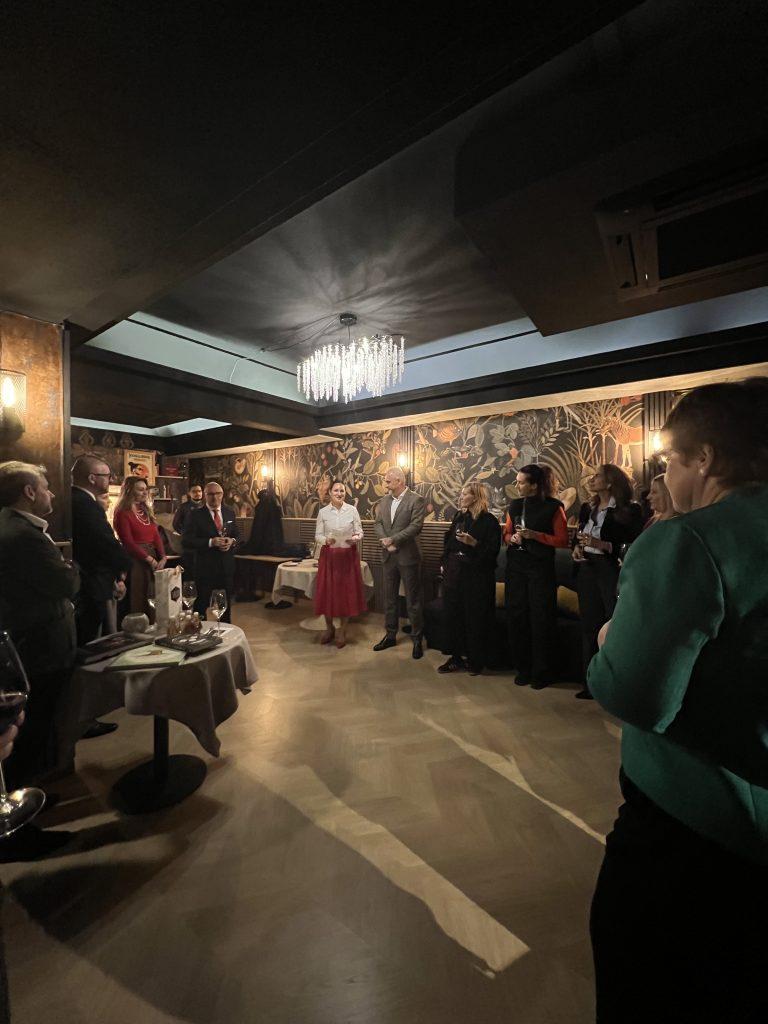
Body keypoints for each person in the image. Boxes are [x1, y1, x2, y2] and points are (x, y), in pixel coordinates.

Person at [587, 379, 768, 1024]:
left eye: (670, 461)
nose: (665, 476)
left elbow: (636, 696)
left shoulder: (690, 540)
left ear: (706, 459)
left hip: (694, 826)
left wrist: (608, 642)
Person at [0, 462, 78, 858]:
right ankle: (17, 828)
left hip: (34, 643)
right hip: (38, 649)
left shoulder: (15, 527)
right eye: (45, 487)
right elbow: (65, 583)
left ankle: (30, 798)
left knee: (32, 734)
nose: (51, 493)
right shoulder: (21, 535)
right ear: (29, 492)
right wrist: (71, 569)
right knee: (26, 738)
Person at [71, 455, 131, 739]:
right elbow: (104, 543)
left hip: (94, 581)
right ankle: (83, 718)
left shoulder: (78, 501)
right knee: (87, 649)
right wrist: (124, 567)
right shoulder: (84, 504)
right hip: (90, 585)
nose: (110, 479)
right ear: (92, 478)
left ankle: (84, 715)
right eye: (106, 475)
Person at [571, 464, 642, 698]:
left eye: (597, 476)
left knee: (613, 623)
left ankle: (615, 683)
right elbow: (579, 536)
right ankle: (590, 682)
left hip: (610, 570)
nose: (592, 479)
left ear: (610, 482)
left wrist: (602, 545)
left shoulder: (629, 510)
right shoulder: (587, 508)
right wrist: (576, 549)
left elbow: (632, 545)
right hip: (587, 568)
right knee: (589, 625)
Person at [503, 464, 569, 688]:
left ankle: (542, 671)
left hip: (540, 569)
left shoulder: (553, 507)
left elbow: (563, 540)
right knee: (517, 617)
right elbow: (507, 533)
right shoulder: (515, 505)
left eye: (521, 482)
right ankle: (522, 668)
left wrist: (535, 535)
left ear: (534, 485)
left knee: (541, 619)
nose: (517, 485)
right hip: (516, 567)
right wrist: (512, 538)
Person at [438, 481, 500, 676]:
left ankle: (476, 660)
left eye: (465, 494)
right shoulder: (460, 516)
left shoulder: (489, 521)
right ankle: (455, 658)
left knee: (475, 619)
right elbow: (449, 542)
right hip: (455, 574)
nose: (461, 497)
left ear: (476, 497)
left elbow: (492, 553)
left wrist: (474, 543)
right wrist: (444, 562)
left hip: (477, 577)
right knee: (453, 616)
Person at [373, 468, 426, 659]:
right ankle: (390, 635)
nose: (385, 484)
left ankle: (417, 639)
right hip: (388, 556)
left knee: (413, 600)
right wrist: (386, 542)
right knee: (389, 598)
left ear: (399, 481)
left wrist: (393, 539)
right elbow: (378, 523)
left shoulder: (416, 500)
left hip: (408, 556)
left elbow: (416, 526)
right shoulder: (384, 501)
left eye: (388, 481)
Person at [313, 479, 365, 648]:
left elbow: (360, 532)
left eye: (342, 491)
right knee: (327, 592)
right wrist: (325, 540)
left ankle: (342, 630)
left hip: (348, 556)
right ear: (330, 493)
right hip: (329, 556)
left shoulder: (352, 510)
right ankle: (329, 628)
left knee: (346, 593)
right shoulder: (323, 512)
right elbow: (318, 535)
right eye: (336, 490)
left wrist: (355, 538)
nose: (339, 493)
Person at [182, 481, 237, 622]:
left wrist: (231, 541)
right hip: (205, 568)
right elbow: (186, 540)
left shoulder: (229, 513)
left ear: (222, 495)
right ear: (205, 495)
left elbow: (237, 535)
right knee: (201, 606)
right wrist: (210, 542)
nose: (214, 497)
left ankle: (225, 631)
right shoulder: (195, 515)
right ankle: (199, 631)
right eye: (211, 494)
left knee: (225, 607)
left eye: (218, 494)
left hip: (226, 567)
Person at [113, 476, 167, 619]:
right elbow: (128, 543)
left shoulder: (145, 510)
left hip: (151, 556)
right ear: (130, 491)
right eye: (140, 489)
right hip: (135, 559)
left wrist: (163, 557)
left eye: (145, 489)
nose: (145, 493)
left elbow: (156, 535)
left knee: (152, 596)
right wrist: (149, 559)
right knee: (137, 598)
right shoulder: (122, 512)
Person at [242, 487, 285, 555]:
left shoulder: (261, 507)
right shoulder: (272, 506)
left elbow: (257, 529)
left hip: (263, 545)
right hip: (272, 545)